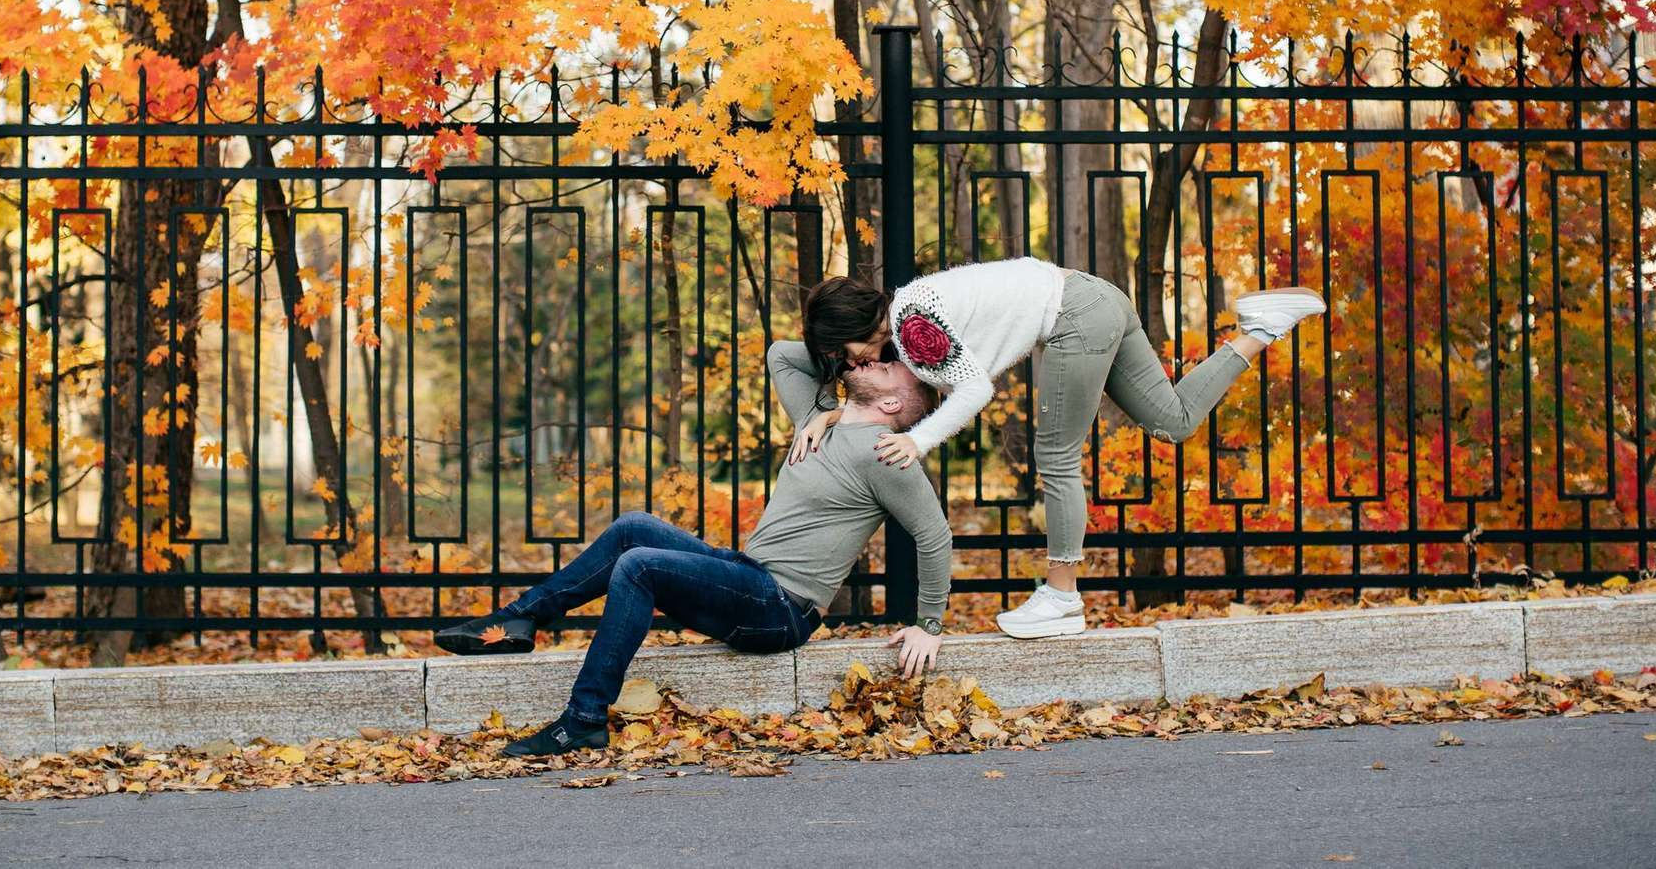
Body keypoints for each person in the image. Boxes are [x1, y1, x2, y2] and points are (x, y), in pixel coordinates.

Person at [433, 353, 954, 757]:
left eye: (892, 368)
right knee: (633, 527)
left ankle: (583, 719)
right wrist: (842, 394)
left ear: (893, 404)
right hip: (750, 576)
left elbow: (934, 535)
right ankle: (516, 621)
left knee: (639, 566)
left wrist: (929, 624)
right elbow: (782, 354)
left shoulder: (888, 454)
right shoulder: (818, 420)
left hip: (781, 609)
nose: (882, 359)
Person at [797, 258, 1323, 640]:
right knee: (1173, 421)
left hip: (1075, 315)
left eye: (845, 351)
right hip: (1097, 296)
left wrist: (917, 440)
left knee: (1056, 457)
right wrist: (835, 414)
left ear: (854, 327)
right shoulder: (913, 308)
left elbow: (974, 390)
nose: (852, 363)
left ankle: (1062, 596)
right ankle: (1260, 328)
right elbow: (908, 392)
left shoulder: (914, 329)